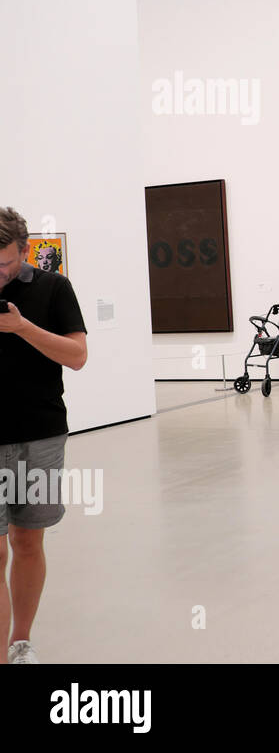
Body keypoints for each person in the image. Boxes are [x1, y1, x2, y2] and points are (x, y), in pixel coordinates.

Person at [0, 207, 88, 665]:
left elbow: (77, 356)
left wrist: (21, 328)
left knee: (28, 542)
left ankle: (20, 641)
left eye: (2, 265)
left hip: (40, 435)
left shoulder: (54, 288)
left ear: (26, 250)